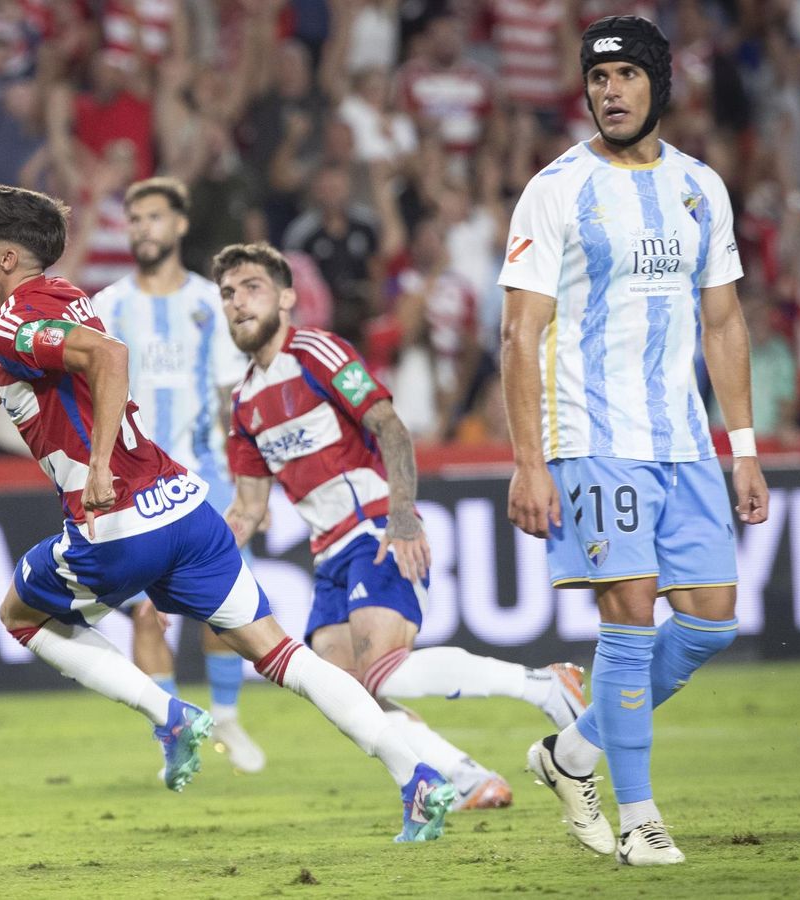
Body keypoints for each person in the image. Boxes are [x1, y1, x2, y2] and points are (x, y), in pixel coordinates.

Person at [0, 184, 455, 842]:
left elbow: (110, 358)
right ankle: (416, 775)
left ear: (9, 258)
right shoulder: (60, 301)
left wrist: (96, 468)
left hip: (117, 520)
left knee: (19, 616)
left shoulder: (18, 322)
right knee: (284, 654)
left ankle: (169, 714)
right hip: (183, 507)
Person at [498, 16, 768, 866]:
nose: (608, 90)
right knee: (629, 625)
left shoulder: (700, 187)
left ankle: (572, 751)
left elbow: (722, 321)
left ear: (659, 84)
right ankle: (641, 820)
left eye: (625, 75)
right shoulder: (556, 188)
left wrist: (745, 446)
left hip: (685, 439)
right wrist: (529, 461)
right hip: (591, 431)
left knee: (712, 623)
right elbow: (519, 333)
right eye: (597, 77)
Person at [217, 241, 587, 813]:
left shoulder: (317, 350)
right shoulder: (243, 403)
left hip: (374, 527)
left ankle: (541, 686)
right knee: (346, 694)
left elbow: (390, 427)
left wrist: (404, 516)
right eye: (228, 294)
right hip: (328, 555)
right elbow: (246, 508)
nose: (238, 303)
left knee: (383, 672)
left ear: (287, 297)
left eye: (251, 288)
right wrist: (185, 567)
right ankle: (464, 777)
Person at [93, 177, 265, 775]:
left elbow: (228, 398)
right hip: (132, 485)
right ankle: (171, 732)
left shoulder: (207, 304)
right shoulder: (107, 306)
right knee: (145, 612)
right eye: (134, 218)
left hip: (205, 478)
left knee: (219, 608)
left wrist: (246, 481)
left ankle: (227, 719)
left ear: (181, 224)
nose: (143, 228)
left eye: (154, 217)